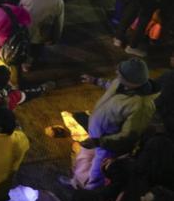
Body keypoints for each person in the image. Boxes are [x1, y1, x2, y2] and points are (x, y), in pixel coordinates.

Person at [67, 59, 160, 190]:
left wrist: (99, 142)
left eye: (120, 72)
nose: (116, 72)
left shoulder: (141, 106)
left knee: (96, 173)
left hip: (108, 146)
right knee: (83, 160)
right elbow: (111, 85)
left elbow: (128, 136)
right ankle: (75, 182)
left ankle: (89, 196)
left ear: (131, 80)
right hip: (95, 137)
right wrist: (95, 80)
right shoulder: (122, 83)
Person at [19, 0, 65, 69]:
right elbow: (58, 25)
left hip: (22, 32)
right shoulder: (59, 1)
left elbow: (17, 11)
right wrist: (55, 39)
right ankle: (27, 65)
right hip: (40, 36)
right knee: (34, 52)